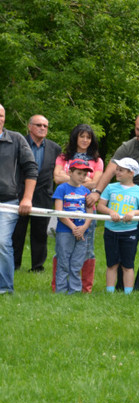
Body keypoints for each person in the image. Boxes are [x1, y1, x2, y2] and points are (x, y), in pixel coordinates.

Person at [86, 113, 139, 290]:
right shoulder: (127, 147)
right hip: (127, 204)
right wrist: (97, 191)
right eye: (137, 129)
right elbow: (111, 170)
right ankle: (121, 286)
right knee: (126, 247)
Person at [52, 124, 104, 292]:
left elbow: (95, 182)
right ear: (75, 137)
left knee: (86, 250)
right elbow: (56, 178)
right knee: (62, 250)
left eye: (88, 137)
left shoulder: (97, 160)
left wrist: (70, 178)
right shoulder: (63, 157)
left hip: (86, 211)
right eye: (81, 136)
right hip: (65, 212)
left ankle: (84, 287)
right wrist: (78, 181)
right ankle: (58, 286)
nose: (85, 140)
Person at [12, 115, 61, 273]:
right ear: (29, 127)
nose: (42, 128)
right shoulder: (18, 143)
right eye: (39, 125)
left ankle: (37, 266)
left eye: (45, 126)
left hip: (43, 195)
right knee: (17, 231)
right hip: (19, 193)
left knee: (40, 232)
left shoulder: (55, 148)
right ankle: (14, 264)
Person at [96, 158, 139, 294]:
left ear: (131, 173)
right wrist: (111, 212)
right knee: (112, 264)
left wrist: (134, 212)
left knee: (128, 265)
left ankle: (128, 294)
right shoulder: (110, 188)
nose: (117, 172)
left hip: (129, 232)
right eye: (117, 169)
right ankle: (109, 292)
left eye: (121, 170)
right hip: (111, 231)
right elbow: (100, 206)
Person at [0, 103, 38, 294]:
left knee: (2, 242)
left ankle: (5, 288)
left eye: (1, 115)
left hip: (8, 202)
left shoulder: (16, 139)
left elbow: (31, 169)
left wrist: (27, 199)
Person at [52, 159, 92, 294]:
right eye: (79, 173)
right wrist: (73, 227)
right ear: (70, 172)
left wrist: (84, 228)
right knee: (63, 261)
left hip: (82, 232)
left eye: (84, 174)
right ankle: (61, 290)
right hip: (65, 231)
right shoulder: (61, 188)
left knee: (76, 263)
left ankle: (74, 290)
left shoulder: (87, 191)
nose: (82, 177)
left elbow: (90, 214)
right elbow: (59, 212)